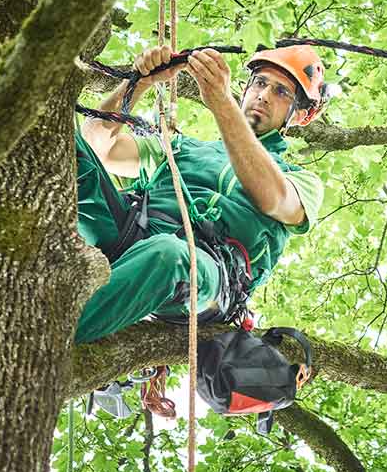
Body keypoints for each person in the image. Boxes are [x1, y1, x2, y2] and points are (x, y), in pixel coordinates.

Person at [74, 44, 327, 343]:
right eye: (260, 83)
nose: (264, 95)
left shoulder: (298, 180)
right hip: (134, 230)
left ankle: (39, 347)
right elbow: (96, 146)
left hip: (206, 273)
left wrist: (220, 103)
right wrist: (138, 82)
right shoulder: (181, 147)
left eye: (281, 92)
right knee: (70, 149)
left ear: (300, 115)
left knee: (169, 254)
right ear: (245, 89)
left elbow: (273, 198)